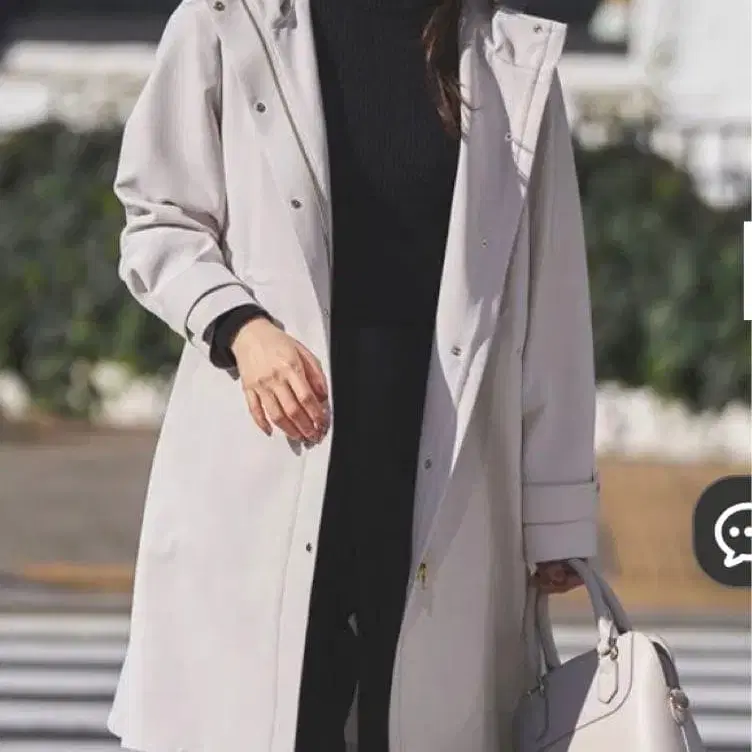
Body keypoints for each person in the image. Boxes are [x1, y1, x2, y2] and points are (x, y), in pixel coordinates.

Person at [106, 0, 600, 750]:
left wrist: (555, 511)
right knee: (271, 720)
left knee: (412, 722)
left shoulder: (509, 56)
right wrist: (240, 327)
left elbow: (551, 296)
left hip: (447, 472)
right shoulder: (227, 18)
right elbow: (158, 215)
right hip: (272, 453)